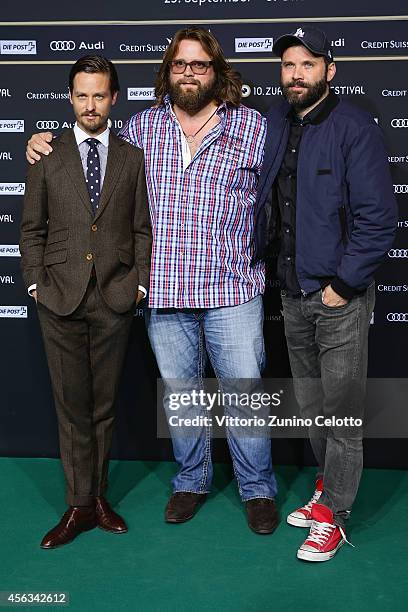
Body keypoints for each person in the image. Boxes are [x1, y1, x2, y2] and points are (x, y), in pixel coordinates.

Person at [26, 28, 279, 535]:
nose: (189, 72)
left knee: (244, 395)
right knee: (183, 398)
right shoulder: (141, 130)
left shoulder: (253, 127)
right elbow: (87, 150)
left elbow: (278, 194)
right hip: (164, 291)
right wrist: (39, 140)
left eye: (200, 64)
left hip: (232, 287)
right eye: (180, 64)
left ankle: (257, 489)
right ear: (167, 73)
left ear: (216, 71)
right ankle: (191, 481)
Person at [253, 26, 397, 561]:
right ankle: (326, 489)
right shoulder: (273, 124)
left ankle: (334, 515)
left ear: (329, 71)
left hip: (337, 299)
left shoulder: (354, 127)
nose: (296, 74)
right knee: (314, 409)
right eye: (289, 65)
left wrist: (343, 286)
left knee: (341, 416)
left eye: (307, 65)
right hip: (291, 296)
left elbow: (378, 220)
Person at [20, 55, 152, 549]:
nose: (91, 105)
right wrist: (36, 283)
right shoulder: (45, 156)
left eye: (100, 95)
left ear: (113, 98)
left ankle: (98, 497)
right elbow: (31, 229)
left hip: (115, 296)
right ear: (70, 98)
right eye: (82, 95)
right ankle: (78, 505)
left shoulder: (130, 157)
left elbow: (141, 228)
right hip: (60, 296)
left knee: (103, 406)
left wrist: (136, 284)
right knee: (71, 406)